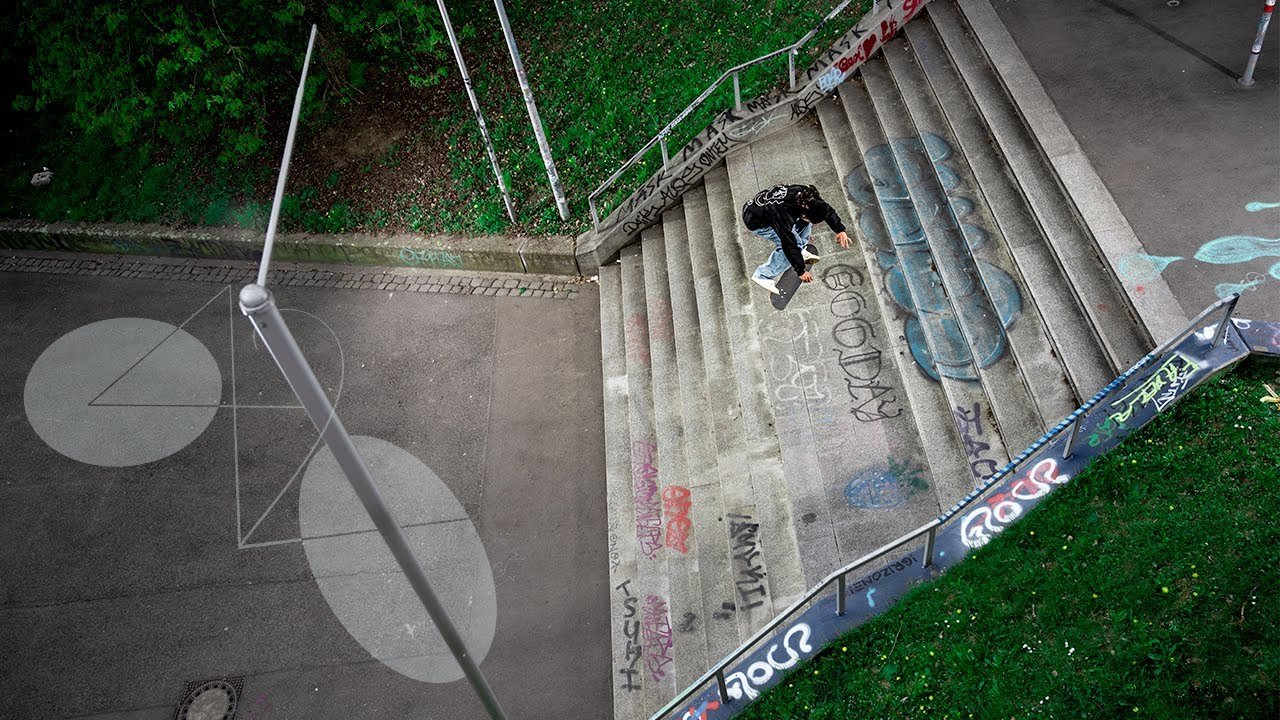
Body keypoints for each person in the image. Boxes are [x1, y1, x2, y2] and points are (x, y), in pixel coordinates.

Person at [742, 184, 851, 294]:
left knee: (805, 223)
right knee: (792, 244)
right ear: (803, 213)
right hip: (758, 222)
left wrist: (840, 230)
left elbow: (826, 209)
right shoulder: (782, 215)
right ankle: (762, 275)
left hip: (759, 207)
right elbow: (789, 244)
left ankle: (801, 251)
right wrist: (800, 271)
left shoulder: (806, 195)